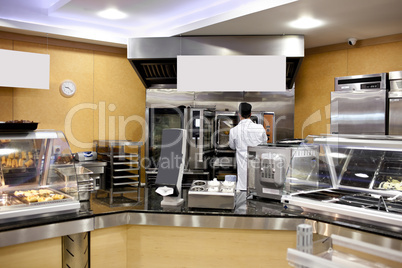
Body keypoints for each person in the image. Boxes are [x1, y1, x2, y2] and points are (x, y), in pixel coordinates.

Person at [229, 102, 267, 191]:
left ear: (239, 114)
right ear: (251, 114)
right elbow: (264, 144)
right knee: (256, 189)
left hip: (242, 177)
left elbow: (232, 146)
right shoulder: (260, 128)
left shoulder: (234, 130)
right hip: (258, 169)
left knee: (243, 192)